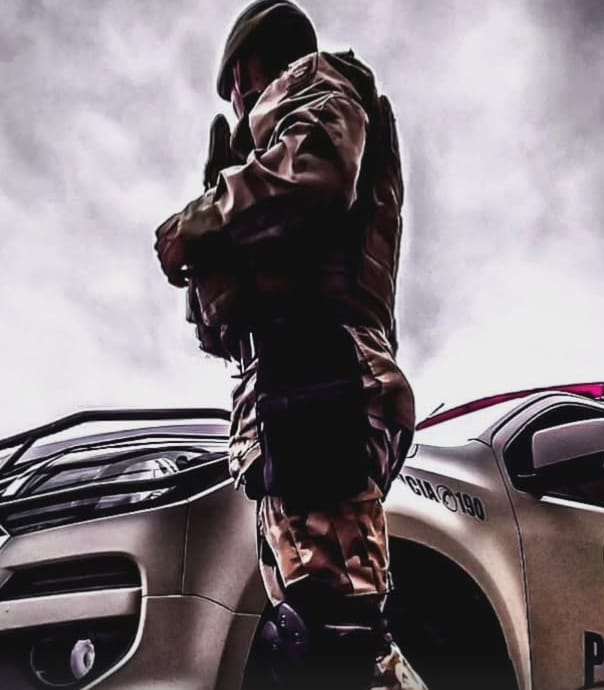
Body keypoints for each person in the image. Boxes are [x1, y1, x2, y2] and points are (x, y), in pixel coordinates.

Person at [154, 1, 424, 687]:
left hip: (318, 378)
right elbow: (219, 330)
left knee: (332, 639)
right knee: (324, 635)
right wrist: (214, 240)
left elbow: (315, 174)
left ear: (252, 65)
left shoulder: (312, 81)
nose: (237, 101)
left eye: (236, 84)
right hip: (290, 392)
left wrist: (203, 218)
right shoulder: (263, 149)